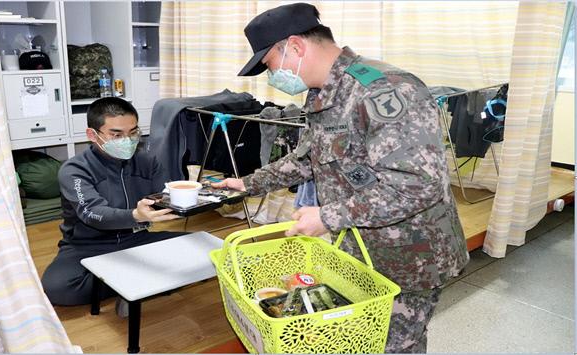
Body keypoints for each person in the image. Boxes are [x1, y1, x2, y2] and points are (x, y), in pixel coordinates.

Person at [214, 3, 470, 353]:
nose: (271, 76)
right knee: (360, 339)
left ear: (296, 47)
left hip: (411, 254)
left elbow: (416, 185)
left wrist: (327, 217)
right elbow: (308, 157)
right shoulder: (322, 94)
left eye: (270, 65)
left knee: (392, 345)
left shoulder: (386, 90)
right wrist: (247, 184)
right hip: (362, 248)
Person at [42, 97, 182, 308]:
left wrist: (201, 196)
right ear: (92, 135)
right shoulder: (74, 170)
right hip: (87, 246)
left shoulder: (147, 161)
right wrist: (134, 216)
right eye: (117, 134)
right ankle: (133, 284)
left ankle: (128, 282)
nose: (128, 140)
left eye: (133, 132)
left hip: (136, 240)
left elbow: (164, 195)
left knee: (205, 253)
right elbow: (93, 213)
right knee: (57, 287)